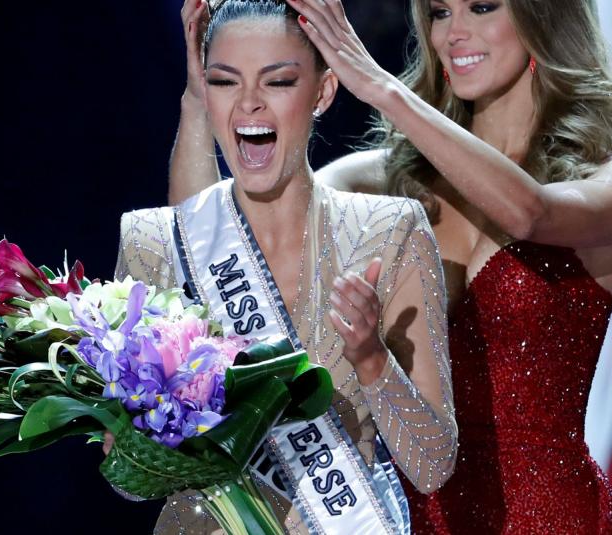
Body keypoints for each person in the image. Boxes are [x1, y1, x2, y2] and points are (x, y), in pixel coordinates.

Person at [169, 0, 612, 532]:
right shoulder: (384, 184)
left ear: (543, 16)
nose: (454, 33)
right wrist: (200, 101)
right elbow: (213, 247)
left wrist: (382, 89)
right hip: (404, 513)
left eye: (480, 7)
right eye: (439, 13)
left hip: (553, 517)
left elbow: (530, 214)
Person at [116, 1, 459, 532]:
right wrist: (150, 431)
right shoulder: (153, 242)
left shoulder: (392, 232)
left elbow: (433, 467)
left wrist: (371, 358)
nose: (249, 102)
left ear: (323, 92)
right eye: (224, 82)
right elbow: (125, 479)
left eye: (277, 82)